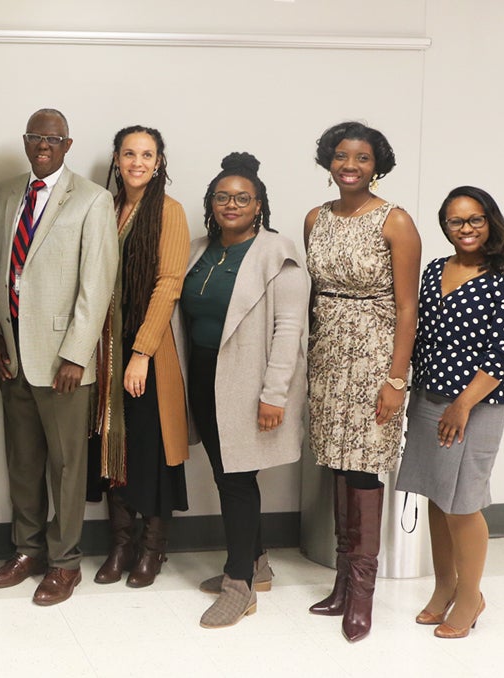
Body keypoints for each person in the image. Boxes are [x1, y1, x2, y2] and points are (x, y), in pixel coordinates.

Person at [0, 108, 118, 606]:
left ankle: (64, 563)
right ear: (25, 141)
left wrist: (77, 355)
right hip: (12, 353)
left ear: (68, 144)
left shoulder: (92, 201)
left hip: (62, 359)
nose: (44, 145)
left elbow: (96, 285)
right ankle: (27, 550)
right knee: (22, 461)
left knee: (66, 466)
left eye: (53, 138)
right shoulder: (3, 194)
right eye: (36, 137)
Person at [176, 153, 309, 628]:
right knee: (225, 471)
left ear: (259, 205)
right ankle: (257, 563)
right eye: (222, 197)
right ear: (211, 203)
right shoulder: (197, 249)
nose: (231, 204)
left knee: (236, 480)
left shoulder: (278, 252)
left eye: (242, 198)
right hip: (203, 375)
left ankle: (239, 586)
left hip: (248, 381)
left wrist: (274, 393)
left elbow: (289, 328)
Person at [396, 186, 504, 638]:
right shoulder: (437, 269)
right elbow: (423, 336)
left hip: (475, 405)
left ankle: (471, 597)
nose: (466, 229)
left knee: (463, 504)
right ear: (445, 227)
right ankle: (445, 588)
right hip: (428, 398)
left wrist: (461, 404)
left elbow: (502, 356)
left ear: (490, 221)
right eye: (456, 221)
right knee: (437, 498)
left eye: (475, 219)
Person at [304, 121, 421, 642]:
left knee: (365, 470)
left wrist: (397, 378)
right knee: (335, 464)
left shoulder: (395, 221)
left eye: (363, 158)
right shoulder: (315, 219)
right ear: (329, 160)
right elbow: (311, 295)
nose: (350, 165)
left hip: (375, 356)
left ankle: (363, 595)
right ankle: (340, 583)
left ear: (378, 165)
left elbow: (407, 306)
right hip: (327, 354)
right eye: (341, 156)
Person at [91, 125, 190, 589]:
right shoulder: (104, 209)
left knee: (150, 451)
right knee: (115, 448)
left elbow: (169, 283)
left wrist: (140, 354)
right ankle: (120, 544)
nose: (137, 162)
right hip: (104, 347)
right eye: (129, 153)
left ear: (159, 162)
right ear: (116, 158)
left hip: (145, 351)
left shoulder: (169, 212)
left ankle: (152, 549)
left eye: (147, 154)